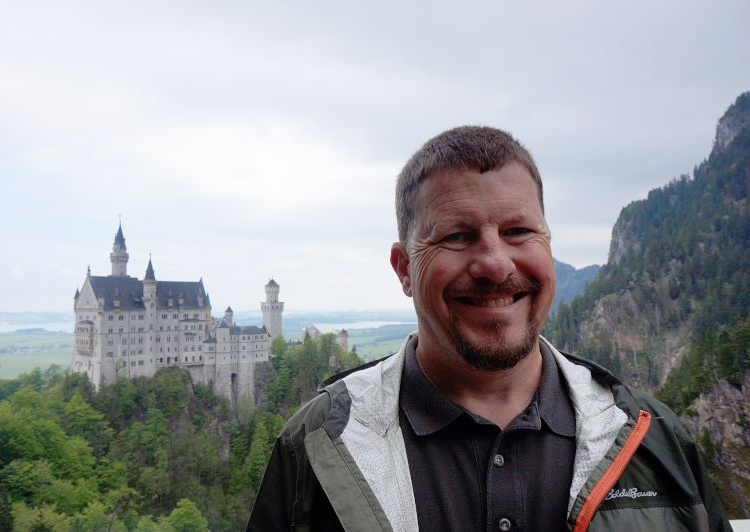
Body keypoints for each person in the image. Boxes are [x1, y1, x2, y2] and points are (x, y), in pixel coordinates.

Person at [247, 126, 731, 531]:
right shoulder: (319, 447)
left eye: (518, 231)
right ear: (405, 269)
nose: (496, 265)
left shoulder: (654, 440)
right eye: (457, 236)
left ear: (547, 243)